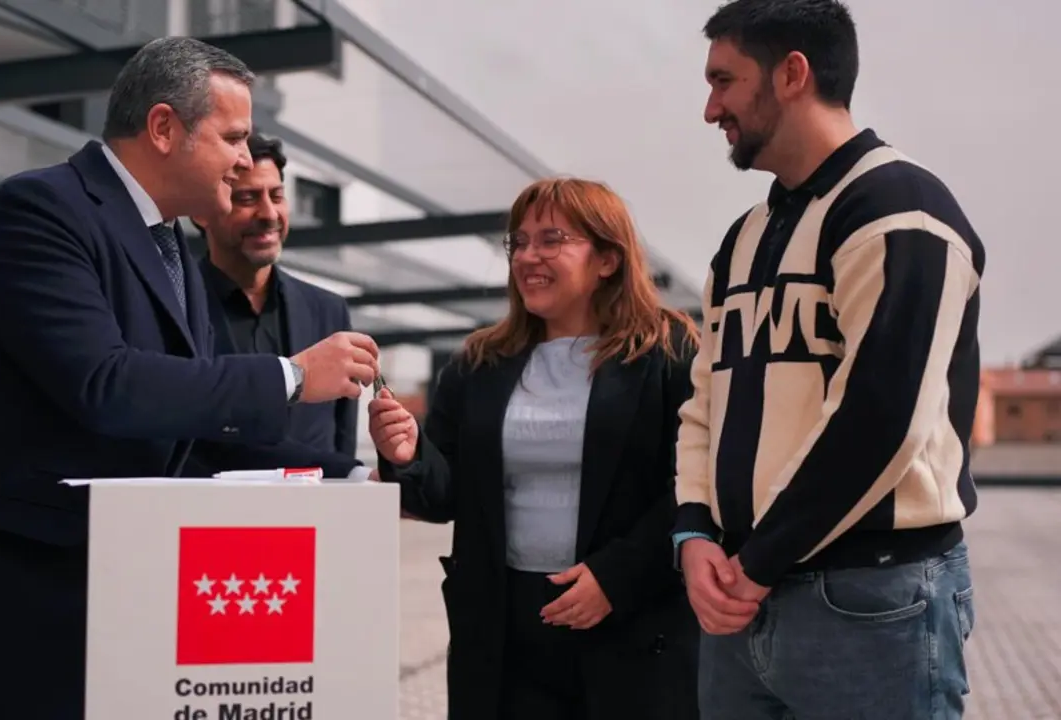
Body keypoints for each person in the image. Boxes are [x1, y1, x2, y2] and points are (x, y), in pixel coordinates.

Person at [0, 38, 379, 720]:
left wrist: (356, 482)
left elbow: (189, 425)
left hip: (74, 631)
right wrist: (291, 376)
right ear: (162, 128)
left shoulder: (169, 246)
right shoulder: (38, 211)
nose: (245, 159)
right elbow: (105, 385)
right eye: (233, 137)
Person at [673, 1, 984, 718]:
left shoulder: (903, 210)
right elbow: (703, 404)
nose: (709, 108)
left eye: (724, 80)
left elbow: (881, 419)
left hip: (871, 601)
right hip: (739, 597)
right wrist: (694, 532)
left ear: (791, 74)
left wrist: (756, 560)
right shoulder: (744, 238)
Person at [370, 178, 701, 719]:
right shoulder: (480, 362)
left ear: (607, 259)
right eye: (518, 242)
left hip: (629, 620)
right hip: (504, 627)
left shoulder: (668, 352)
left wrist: (617, 577)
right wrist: (408, 455)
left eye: (552, 240)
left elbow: (695, 482)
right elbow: (445, 496)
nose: (528, 256)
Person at [183, 132, 367, 480]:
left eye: (277, 195)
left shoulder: (329, 312)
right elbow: (190, 440)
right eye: (247, 198)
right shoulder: (174, 304)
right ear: (202, 213)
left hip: (310, 524)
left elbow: (341, 441)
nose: (268, 213)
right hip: (206, 523)